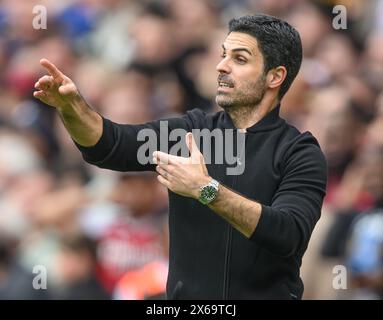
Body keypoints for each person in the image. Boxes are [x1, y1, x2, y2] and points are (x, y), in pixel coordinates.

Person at [33, 14, 327, 299]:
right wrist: (71, 108)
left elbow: (288, 233)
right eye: (223, 55)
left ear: (275, 76)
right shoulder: (191, 132)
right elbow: (108, 145)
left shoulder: (299, 153)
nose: (221, 66)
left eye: (239, 59)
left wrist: (205, 190)